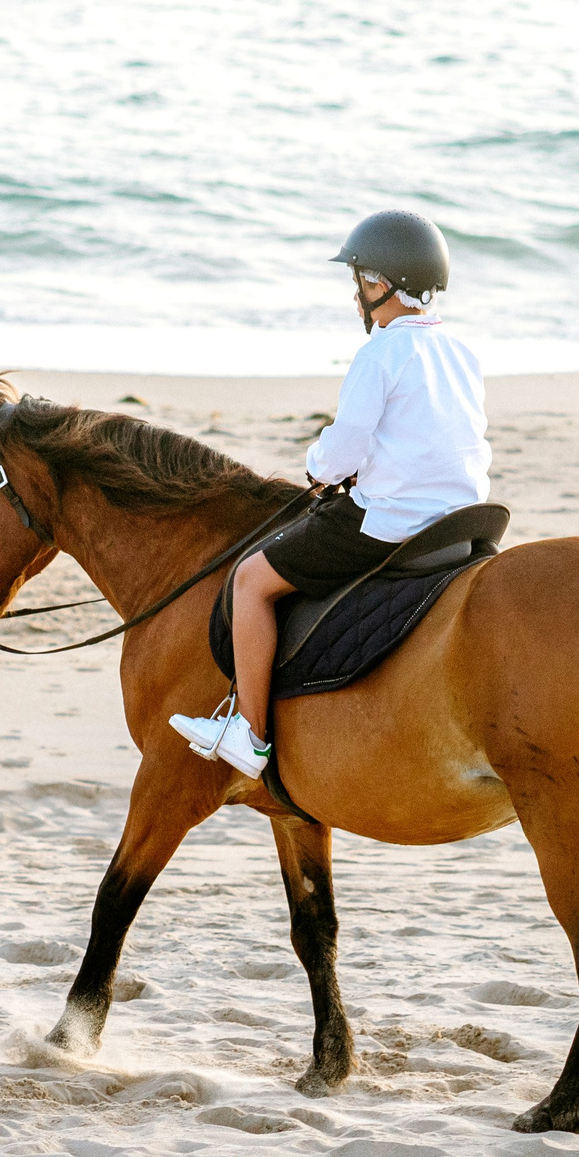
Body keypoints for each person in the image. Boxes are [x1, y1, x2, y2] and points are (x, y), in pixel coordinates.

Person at [171, 209, 491, 777]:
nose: (357, 297)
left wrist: (319, 469)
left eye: (360, 283)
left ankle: (250, 735)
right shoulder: (460, 353)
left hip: (389, 526)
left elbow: (343, 450)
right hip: (461, 520)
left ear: (383, 285)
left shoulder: (381, 353)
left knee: (250, 581)